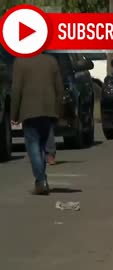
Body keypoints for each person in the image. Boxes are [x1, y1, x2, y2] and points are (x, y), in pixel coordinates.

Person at [10, 53, 64, 195]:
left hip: (29, 111)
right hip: (49, 110)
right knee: (41, 146)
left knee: (33, 146)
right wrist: (58, 111)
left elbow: (16, 91)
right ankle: (41, 180)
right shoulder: (51, 61)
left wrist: (13, 114)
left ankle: (40, 181)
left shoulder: (20, 62)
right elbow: (60, 89)